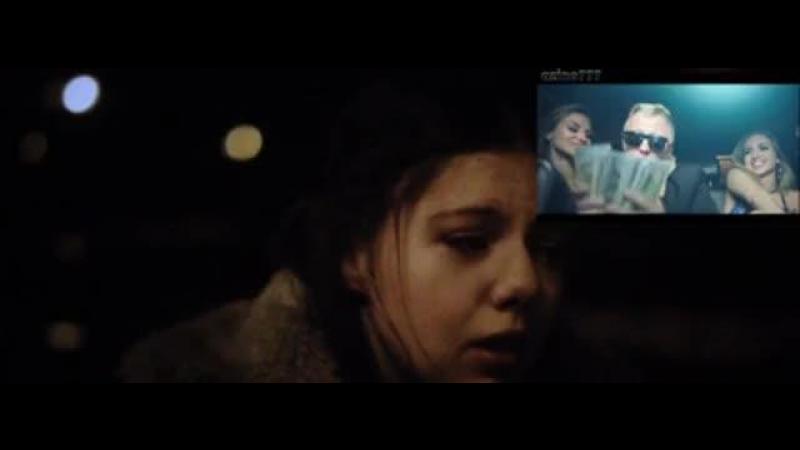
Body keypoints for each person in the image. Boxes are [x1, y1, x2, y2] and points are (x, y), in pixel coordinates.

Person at [117, 81, 589, 383]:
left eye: (548, 249)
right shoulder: (197, 372)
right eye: (468, 242)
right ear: (356, 253)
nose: (525, 283)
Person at [579, 103, 718, 214]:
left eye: (657, 142)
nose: (644, 148)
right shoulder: (600, 178)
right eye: (633, 138)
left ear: (670, 149)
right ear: (623, 142)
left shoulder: (690, 180)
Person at [724, 131, 799, 214]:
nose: (755, 155)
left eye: (763, 148)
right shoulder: (734, 176)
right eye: (748, 152)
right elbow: (755, 195)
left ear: (777, 157)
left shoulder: (794, 198)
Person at [537, 104, 593, 214]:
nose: (583, 138)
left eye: (588, 136)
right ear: (550, 133)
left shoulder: (591, 183)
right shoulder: (541, 173)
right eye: (573, 129)